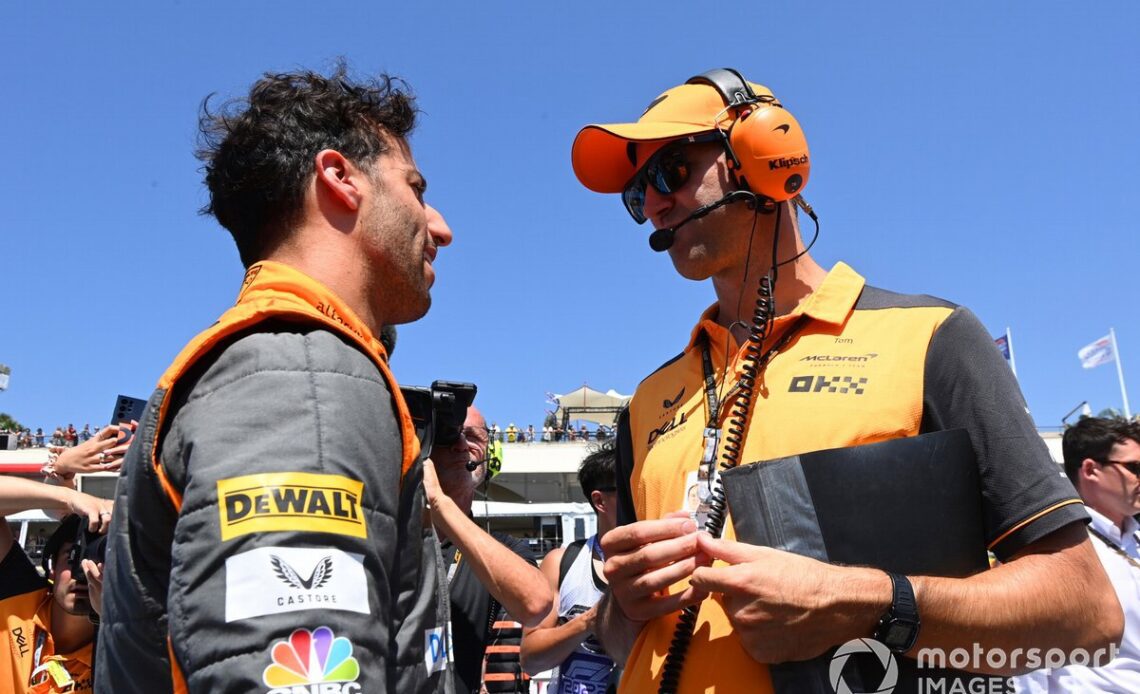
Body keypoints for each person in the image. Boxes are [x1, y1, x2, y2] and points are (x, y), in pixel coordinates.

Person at [570, 67, 1122, 691]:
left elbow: (1086, 612)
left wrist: (865, 603)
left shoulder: (932, 338)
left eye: (669, 171)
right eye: (636, 193)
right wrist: (624, 606)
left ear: (762, 152)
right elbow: (619, 640)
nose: (653, 205)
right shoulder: (644, 403)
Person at [97, 64, 454, 693]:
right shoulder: (306, 376)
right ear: (340, 177)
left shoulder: (280, 363)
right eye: (415, 188)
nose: (440, 226)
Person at [424, 405, 551, 694]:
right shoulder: (392, 537)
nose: (461, 444)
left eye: (472, 436)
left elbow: (535, 604)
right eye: (448, 434)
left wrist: (440, 503)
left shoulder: (502, 548)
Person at [1015, 417, 1140, 691]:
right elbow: (1032, 655)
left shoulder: (1136, 540)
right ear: (1091, 470)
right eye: (1135, 468)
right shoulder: (1058, 546)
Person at [521, 440, 620, 692]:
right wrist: (589, 621)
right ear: (600, 501)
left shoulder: (659, 560)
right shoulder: (562, 562)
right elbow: (531, 659)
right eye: (628, 490)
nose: (639, 496)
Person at [1, 475, 113, 693]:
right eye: (74, 556)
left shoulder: (128, 642)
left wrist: (107, 618)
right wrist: (67, 497)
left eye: (102, 561)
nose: (83, 571)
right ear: (51, 565)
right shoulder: (19, 597)